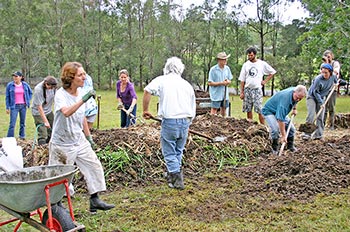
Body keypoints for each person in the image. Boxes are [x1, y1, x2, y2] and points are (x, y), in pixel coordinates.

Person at [49, 62, 115, 213]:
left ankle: (95, 199)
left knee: (93, 166)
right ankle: (57, 207)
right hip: (62, 143)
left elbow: (82, 117)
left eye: (84, 74)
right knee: (61, 177)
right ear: (70, 78)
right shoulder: (61, 94)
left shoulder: (79, 92)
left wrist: (89, 137)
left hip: (78, 139)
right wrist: (83, 100)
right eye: (80, 75)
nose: (84, 77)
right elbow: (66, 112)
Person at [142, 57, 196, 190]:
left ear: (166, 67)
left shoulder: (162, 80)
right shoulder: (186, 84)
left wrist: (145, 110)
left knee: (169, 153)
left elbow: (147, 91)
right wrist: (188, 123)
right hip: (185, 121)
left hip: (169, 121)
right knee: (178, 151)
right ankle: (172, 175)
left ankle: (177, 180)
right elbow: (192, 105)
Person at [262, 85, 307, 154]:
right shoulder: (285, 102)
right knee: (275, 129)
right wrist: (283, 136)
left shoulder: (296, 92)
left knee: (292, 130)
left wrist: (294, 109)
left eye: (300, 99)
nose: (298, 100)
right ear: (294, 92)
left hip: (279, 110)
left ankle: (290, 146)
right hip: (269, 111)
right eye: (297, 98)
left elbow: (296, 100)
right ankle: (274, 148)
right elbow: (280, 120)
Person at [239, 47, 276, 124]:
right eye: (248, 55)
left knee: (259, 109)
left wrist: (265, 81)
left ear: (255, 55)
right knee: (248, 109)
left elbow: (272, 72)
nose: (249, 57)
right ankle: (250, 125)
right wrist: (241, 92)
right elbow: (242, 79)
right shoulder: (246, 65)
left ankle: (263, 126)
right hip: (248, 89)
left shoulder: (261, 64)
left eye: (251, 55)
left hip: (257, 89)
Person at [302, 63, 338, 141]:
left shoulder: (333, 77)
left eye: (326, 72)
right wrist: (321, 103)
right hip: (312, 97)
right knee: (311, 115)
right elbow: (315, 92)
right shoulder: (318, 79)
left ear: (330, 72)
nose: (324, 74)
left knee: (320, 117)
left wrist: (338, 83)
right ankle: (306, 134)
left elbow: (336, 81)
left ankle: (318, 135)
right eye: (323, 72)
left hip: (322, 97)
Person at [5, 71, 33, 139]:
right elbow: (7, 97)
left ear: (21, 77)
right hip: (14, 106)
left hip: (23, 106)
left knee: (22, 123)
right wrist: (7, 107)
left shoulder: (25, 85)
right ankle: (10, 138)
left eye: (16, 76)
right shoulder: (10, 85)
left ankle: (22, 136)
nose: (14, 78)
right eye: (14, 76)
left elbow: (30, 93)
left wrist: (27, 100)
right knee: (12, 123)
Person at [31, 76, 58, 145]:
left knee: (54, 129)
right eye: (50, 87)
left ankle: (50, 144)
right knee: (43, 132)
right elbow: (39, 107)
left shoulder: (54, 88)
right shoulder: (38, 89)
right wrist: (45, 121)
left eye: (52, 88)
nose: (51, 89)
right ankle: (41, 147)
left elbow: (56, 100)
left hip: (48, 111)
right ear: (46, 84)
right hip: (38, 112)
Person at [208, 52, 233, 116]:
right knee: (214, 110)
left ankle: (223, 124)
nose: (225, 61)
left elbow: (230, 79)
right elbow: (210, 83)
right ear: (219, 60)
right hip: (216, 94)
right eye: (224, 59)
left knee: (224, 109)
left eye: (226, 59)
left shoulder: (227, 69)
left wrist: (228, 82)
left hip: (225, 94)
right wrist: (221, 83)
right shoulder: (213, 70)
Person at [322, 50, 341, 130]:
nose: (327, 58)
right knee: (324, 107)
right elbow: (322, 73)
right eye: (326, 57)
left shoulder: (335, 64)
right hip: (325, 88)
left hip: (333, 88)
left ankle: (331, 125)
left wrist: (328, 64)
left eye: (328, 56)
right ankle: (322, 124)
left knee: (331, 107)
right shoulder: (323, 65)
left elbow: (335, 72)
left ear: (331, 56)